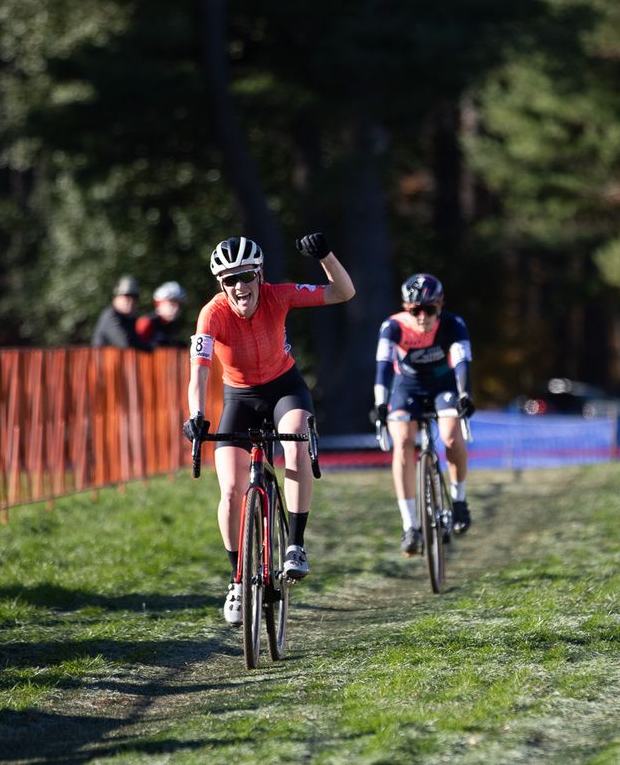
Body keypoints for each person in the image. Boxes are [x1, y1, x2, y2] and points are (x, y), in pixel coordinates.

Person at [184, 233, 354, 626]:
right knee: (230, 489)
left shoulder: (279, 295)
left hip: (285, 389)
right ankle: (236, 580)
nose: (240, 287)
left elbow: (342, 293)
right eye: (230, 280)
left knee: (294, 445)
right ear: (220, 285)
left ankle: (295, 544)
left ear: (260, 274)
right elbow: (199, 374)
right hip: (239, 399)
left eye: (246, 276)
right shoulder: (212, 314)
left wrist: (326, 255)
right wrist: (196, 414)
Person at [372, 273, 474, 556]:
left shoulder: (453, 324)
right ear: (406, 309)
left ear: (440, 306)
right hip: (408, 386)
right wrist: (381, 403)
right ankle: (410, 525)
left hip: (444, 385)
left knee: (451, 437)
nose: (422, 317)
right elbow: (382, 364)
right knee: (403, 443)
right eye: (415, 310)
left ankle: (460, 500)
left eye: (428, 310)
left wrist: (465, 395)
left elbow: (463, 361)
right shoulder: (392, 326)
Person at [91, 275, 150, 350]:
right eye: (127, 296)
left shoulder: (133, 319)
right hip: (104, 361)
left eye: (135, 297)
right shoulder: (110, 316)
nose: (131, 301)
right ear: (116, 297)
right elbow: (125, 343)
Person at [135, 281, 187, 348]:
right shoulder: (146, 323)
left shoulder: (171, 325)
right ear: (159, 303)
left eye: (180, 305)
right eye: (172, 304)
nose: (176, 309)